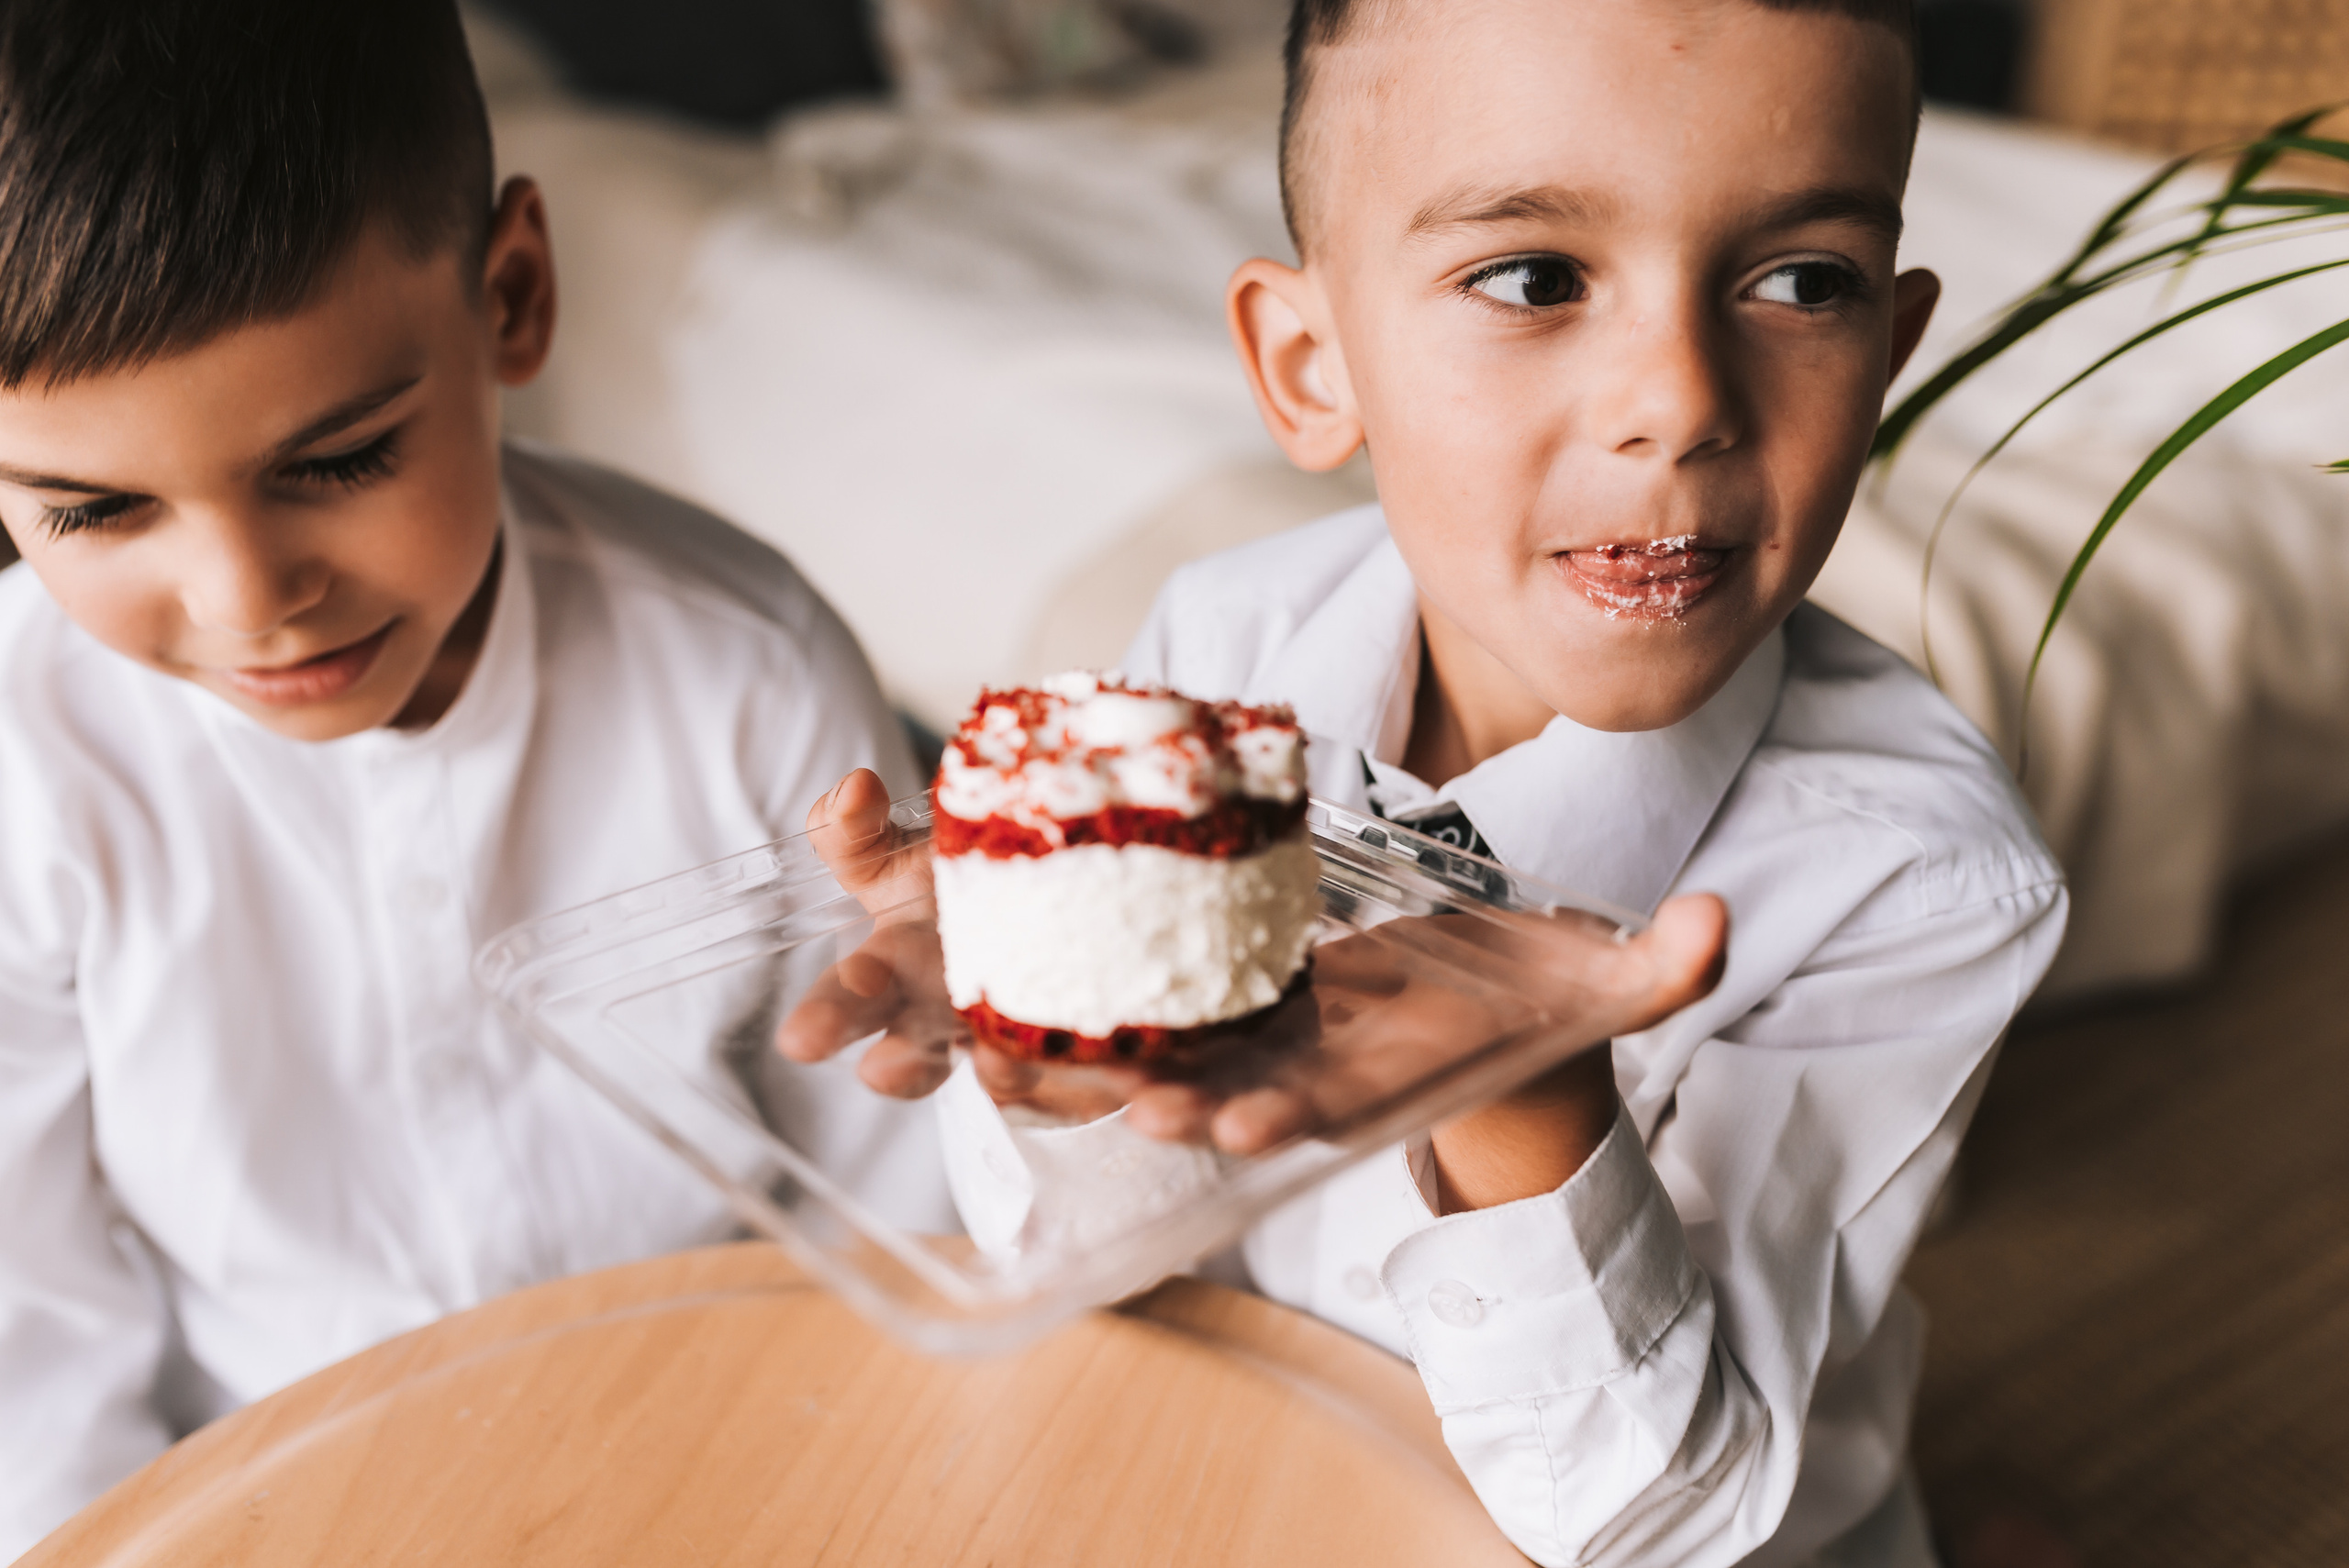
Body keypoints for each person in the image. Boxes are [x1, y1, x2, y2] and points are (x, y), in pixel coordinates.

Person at [787, 1, 2066, 1563]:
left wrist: (1530, 1097)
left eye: (1804, 282)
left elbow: (1661, 1520)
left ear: (1892, 351)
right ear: (1313, 364)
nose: (1679, 399)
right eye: (1533, 278)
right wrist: (1062, 1044)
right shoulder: (1229, 646)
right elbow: (1095, 1256)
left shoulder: (1917, 872)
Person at [0, 2, 953, 1552]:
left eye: (336, 461)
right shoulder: (27, 766)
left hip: (751, 1469)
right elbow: (27, 1354)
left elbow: (907, 1211)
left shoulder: (742, 666)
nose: (251, 600)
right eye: (101, 513)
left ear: (511, 297)